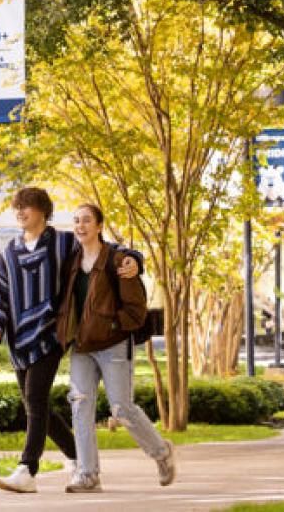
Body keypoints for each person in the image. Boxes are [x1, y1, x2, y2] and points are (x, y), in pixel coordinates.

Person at [0, 187, 142, 494]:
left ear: (43, 211)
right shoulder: (8, 256)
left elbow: (102, 250)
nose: (20, 213)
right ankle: (80, 460)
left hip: (51, 334)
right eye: (17, 208)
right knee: (34, 404)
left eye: (26, 207)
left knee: (36, 400)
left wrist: (132, 258)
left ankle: (27, 469)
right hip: (19, 341)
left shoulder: (64, 244)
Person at [56, 203, 176, 493]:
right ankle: (87, 475)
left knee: (121, 407)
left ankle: (161, 453)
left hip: (113, 344)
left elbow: (136, 310)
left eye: (86, 221)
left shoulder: (119, 260)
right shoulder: (71, 262)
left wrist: (111, 326)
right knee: (80, 405)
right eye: (76, 221)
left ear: (99, 226)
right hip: (82, 347)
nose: (80, 226)